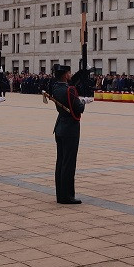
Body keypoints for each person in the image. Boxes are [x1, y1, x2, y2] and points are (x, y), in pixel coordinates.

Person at [50, 64, 93, 204]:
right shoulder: (70, 90)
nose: (70, 75)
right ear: (65, 75)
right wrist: (83, 101)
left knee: (61, 161)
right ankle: (67, 196)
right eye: (68, 73)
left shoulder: (56, 87)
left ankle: (60, 194)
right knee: (69, 163)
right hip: (70, 128)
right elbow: (79, 108)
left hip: (60, 126)